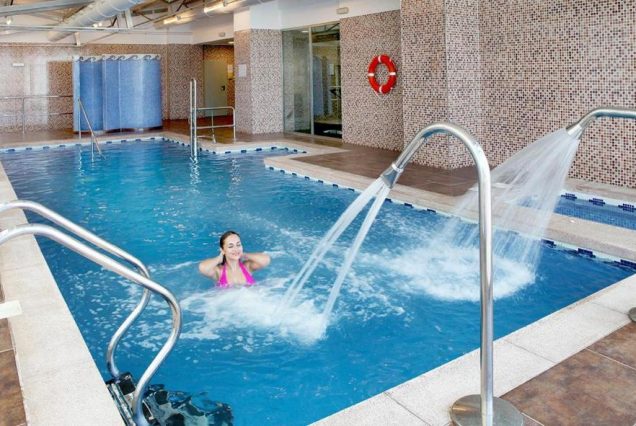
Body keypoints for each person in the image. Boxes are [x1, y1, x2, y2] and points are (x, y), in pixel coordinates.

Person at [199, 230, 270, 288]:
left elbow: (266, 260)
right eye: (231, 246)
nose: (236, 249)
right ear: (223, 250)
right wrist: (219, 258)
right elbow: (203, 268)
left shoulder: (247, 267)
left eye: (238, 245)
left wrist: (244, 254)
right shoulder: (219, 272)